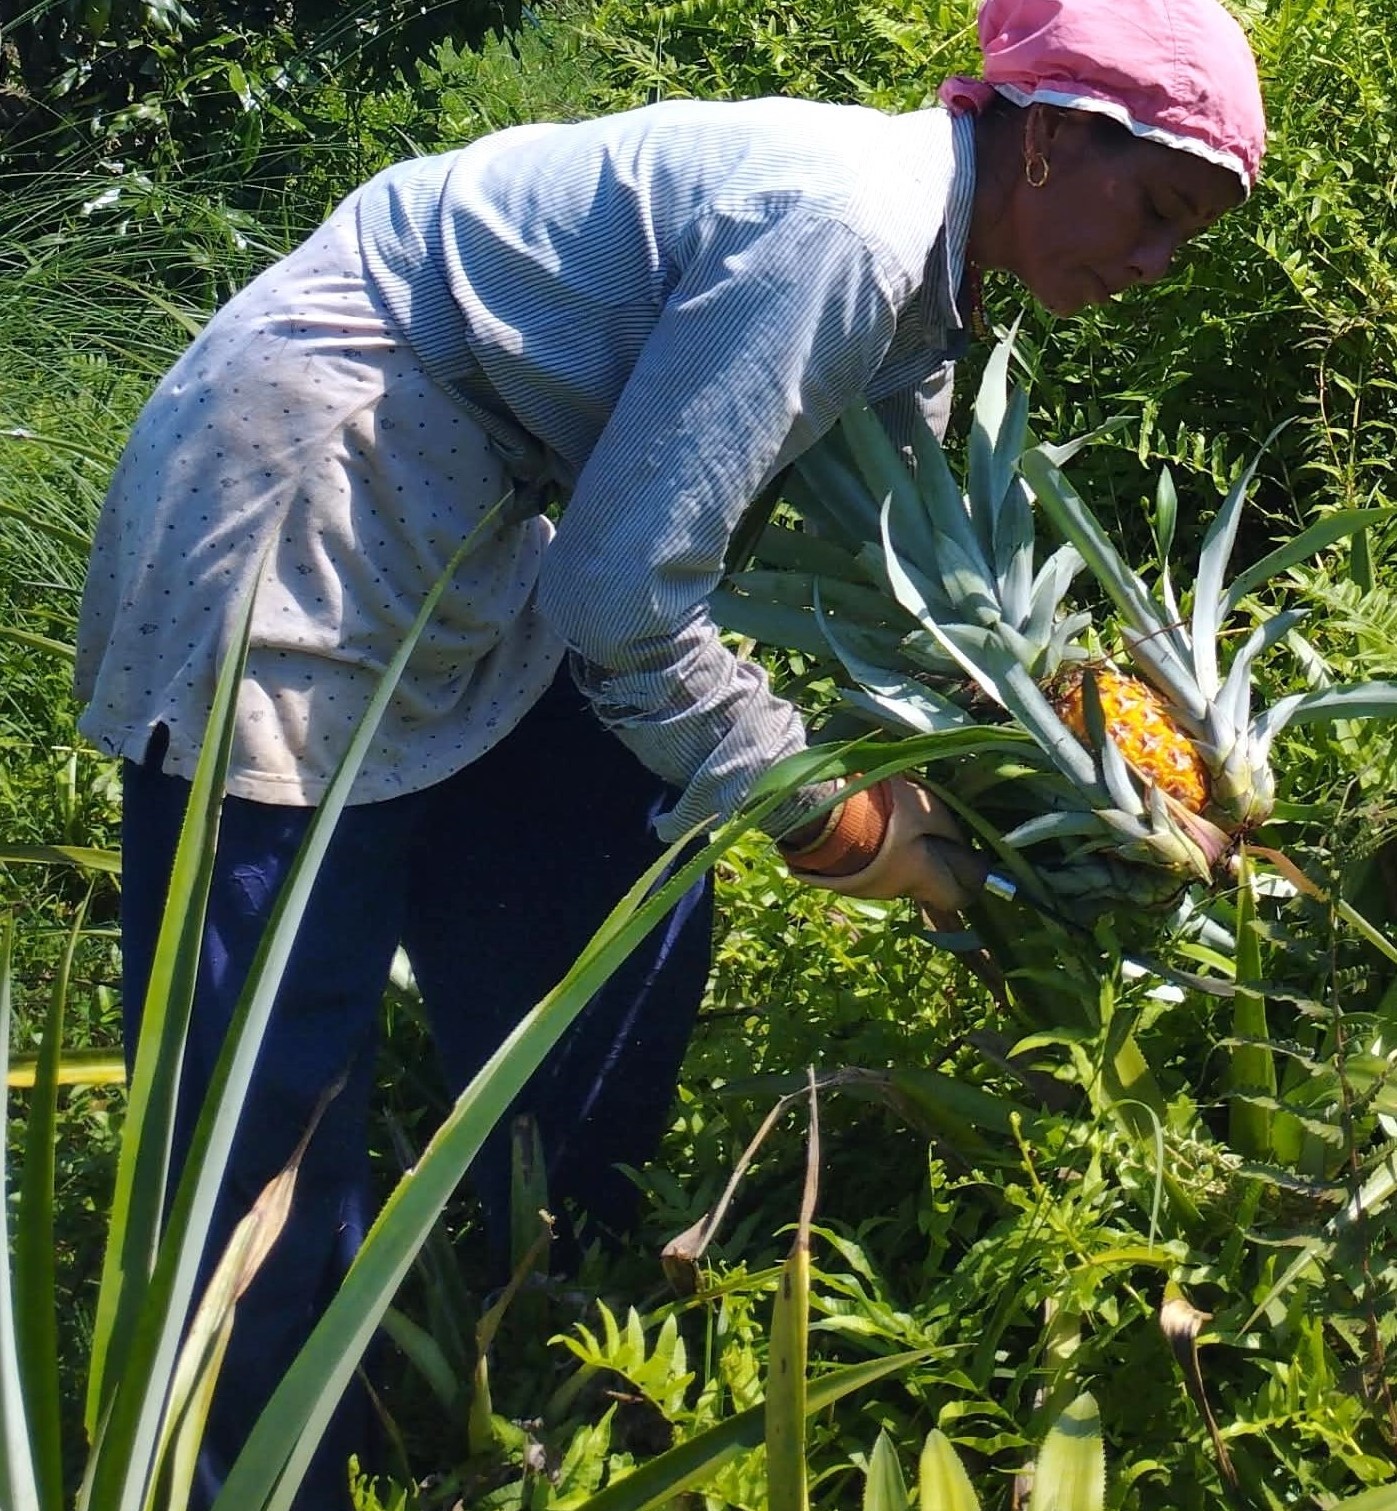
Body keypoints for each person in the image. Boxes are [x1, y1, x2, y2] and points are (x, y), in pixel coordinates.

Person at [74, 0, 1266, 1503]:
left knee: (612, 871)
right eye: (1154, 210)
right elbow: (622, 598)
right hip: (307, 474)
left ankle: (537, 1315)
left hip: (478, 512)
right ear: (1045, 138)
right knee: (268, 1034)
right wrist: (828, 818)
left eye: (1188, 241)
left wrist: (1063, 757)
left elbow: (905, 571)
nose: (1154, 266)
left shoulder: (930, 284)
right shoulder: (846, 228)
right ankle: (263, 1457)